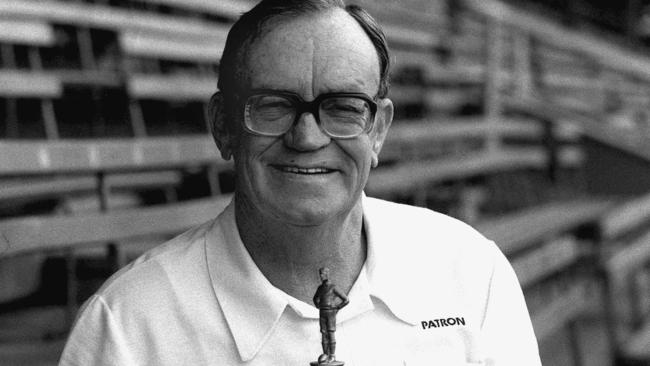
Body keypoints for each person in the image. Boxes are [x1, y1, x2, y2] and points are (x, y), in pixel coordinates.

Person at [59, 0, 542, 365]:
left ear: (378, 130)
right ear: (223, 126)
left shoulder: (471, 271)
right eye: (273, 105)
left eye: (344, 108)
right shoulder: (125, 329)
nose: (307, 136)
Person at [312, 267, 349, 364]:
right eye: (320, 274)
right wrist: (318, 305)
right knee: (324, 333)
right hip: (322, 312)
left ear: (327, 274)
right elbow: (315, 298)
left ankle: (332, 355)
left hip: (331, 313)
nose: (321, 276)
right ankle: (325, 353)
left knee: (331, 332)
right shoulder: (320, 288)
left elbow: (346, 300)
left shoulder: (333, 287)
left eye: (323, 273)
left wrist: (337, 307)